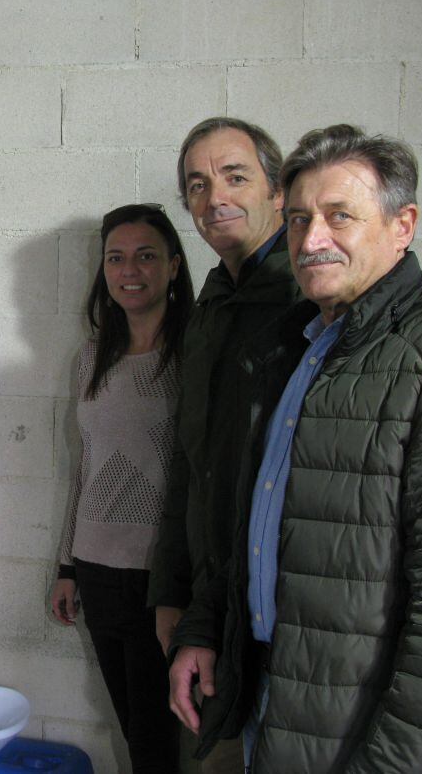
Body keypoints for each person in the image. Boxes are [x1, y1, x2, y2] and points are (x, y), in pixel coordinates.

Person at [169, 124, 422, 773]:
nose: (312, 241)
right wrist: (205, 629)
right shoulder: (291, 352)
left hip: (377, 744)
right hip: (283, 705)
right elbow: (248, 524)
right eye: (302, 218)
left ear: (403, 225)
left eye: (341, 217)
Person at [146, 118, 300, 770]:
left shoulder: (308, 299)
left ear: (280, 189)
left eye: (235, 176)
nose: (215, 198)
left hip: (289, 615)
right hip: (216, 610)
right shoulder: (213, 308)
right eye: (198, 185)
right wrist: (171, 592)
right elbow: (193, 464)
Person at [50, 203, 194, 773]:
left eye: (146, 256)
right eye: (116, 258)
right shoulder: (90, 359)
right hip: (97, 567)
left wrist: (184, 582)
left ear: (175, 267)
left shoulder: (194, 355)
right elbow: (86, 467)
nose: (129, 269)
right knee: (136, 731)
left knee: (160, 737)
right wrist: (66, 566)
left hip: (161, 577)